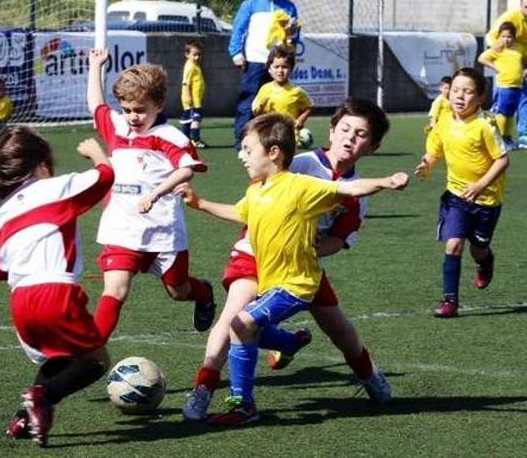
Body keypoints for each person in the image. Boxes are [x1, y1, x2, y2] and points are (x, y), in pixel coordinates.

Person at [181, 112, 408, 425]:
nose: (350, 138)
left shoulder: (348, 188)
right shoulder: (298, 165)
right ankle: (204, 390)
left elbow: (340, 237)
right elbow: (253, 205)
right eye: (345, 129)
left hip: (300, 268)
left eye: (360, 134)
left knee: (339, 330)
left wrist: (384, 182)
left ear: (373, 146)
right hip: (255, 255)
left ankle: (369, 376)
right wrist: (202, 203)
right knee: (234, 320)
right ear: (331, 130)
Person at [0, 127, 114, 447]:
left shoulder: (0, 216)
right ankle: (43, 396)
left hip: (20, 301)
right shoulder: (56, 188)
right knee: (96, 361)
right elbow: (105, 177)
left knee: (59, 358)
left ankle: (23, 420)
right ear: (40, 166)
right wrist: (96, 153)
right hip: (55, 292)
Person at [85, 48, 216, 341]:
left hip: (162, 231)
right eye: (127, 109)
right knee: (114, 289)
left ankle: (204, 293)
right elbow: (96, 105)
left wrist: (156, 194)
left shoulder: (170, 137)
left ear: (159, 104)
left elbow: (186, 170)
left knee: (178, 290)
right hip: (122, 229)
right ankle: (89, 350)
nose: (132, 117)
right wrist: (95, 67)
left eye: (140, 110)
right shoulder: (117, 128)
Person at [414, 68, 510, 319]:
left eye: (467, 92)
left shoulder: (485, 125)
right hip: (456, 196)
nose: (459, 96)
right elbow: (434, 151)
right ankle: (450, 300)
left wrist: (480, 185)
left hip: (486, 200)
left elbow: (502, 160)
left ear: (480, 98)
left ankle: (485, 261)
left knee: (478, 248)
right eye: (456, 90)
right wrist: (427, 163)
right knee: (454, 245)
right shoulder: (444, 122)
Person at [229, 0, 300, 154]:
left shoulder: (288, 7)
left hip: (278, 61)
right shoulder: (250, 5)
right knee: (249, 103)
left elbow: (294, 34)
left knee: (276, 103)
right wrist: (236, 53)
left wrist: (291, 45)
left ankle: (273, 143)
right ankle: (242, 144)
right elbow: (238, 30)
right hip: (254, 60)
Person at [486, 0, 527, 150]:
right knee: (502, 104)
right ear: (521, 6)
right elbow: (490, 36)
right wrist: (502, 53)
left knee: (525, 98)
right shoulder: (510, 17)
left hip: (526, 64)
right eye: (526, 7)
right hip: (507, 63)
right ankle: (496, 137)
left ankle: (524, 135)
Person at [252, 46, 313, 148]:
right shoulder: (265, 89)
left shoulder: (296, 91)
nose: (280, 71)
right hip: (270, 134)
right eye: (276, 67)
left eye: (284, 67)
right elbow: (257, 114)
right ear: (269, 69)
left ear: (291, 69)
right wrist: (260, 108)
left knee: (287, 162)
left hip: (290, 136)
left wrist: (300, 120)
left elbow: (310, 106)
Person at [479, 22, 527, 149]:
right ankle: (498, 139)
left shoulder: (519, 48)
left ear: (514, 37)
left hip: (517, 86)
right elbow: (482, 58)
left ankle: (507, 137)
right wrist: (496, 68)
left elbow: (524, 60)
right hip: (504, 86)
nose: (506, 39)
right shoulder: (498, 49)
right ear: (499, 37)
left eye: (509, 37)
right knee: (502, 113)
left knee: (510, 113)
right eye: (504, 36)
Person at [180, 39, 207, 149]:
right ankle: (195, 139)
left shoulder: (194, 65)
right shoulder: (190, 66)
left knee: (189, 120)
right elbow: (186, 83)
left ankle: (186, 140)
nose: (197, 57)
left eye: (199, 54)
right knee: (196, 119)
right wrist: (188, 96)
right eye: (194, 54)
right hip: (193, 100)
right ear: (187, 54)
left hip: (196, 100)